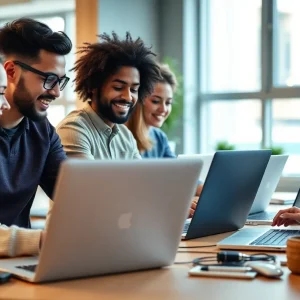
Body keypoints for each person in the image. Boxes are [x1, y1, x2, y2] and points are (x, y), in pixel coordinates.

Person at [0, 18, 72, 257]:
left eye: (60, 81)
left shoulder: (43, 131)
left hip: (18, 265)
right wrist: (43, 240)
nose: (56, 92)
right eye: (49, 79)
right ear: (11, 71)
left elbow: (74, 195)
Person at [56, 32, 161, 160]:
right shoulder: (74, 129)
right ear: (93, 86)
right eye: (118, 87)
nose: (128, 97)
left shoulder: (125, 135)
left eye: (134, 89)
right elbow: (88, 180)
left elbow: (142, 178)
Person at [126, 64, 203, 216]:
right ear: (137, 99)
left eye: (168, 103)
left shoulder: (159, 137)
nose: (163, 109)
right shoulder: (122, 137)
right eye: (156, 101)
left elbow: (180, 176)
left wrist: (212, 192)